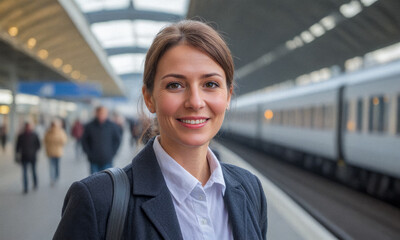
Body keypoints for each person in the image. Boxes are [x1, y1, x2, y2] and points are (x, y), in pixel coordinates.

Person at [54, 20, 267, 240]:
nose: (195, 102)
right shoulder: (96, 200)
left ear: (228, 95)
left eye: (210, 84)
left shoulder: (250, 189)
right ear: (149, 98)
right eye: (175, 85)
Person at [81, 106, 122, 174]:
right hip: (93, 160)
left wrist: (112, 153)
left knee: (106, 181)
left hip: (107, 159)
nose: (101, 115)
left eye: (103, 113)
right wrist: (89, 154)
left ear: (107, 114)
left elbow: (117, 140)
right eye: (100, 113)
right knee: (93, 181)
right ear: (96, 113)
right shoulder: (89, 126)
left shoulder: (112, 126)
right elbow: (84, 141)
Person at [16, 122, 41, 194]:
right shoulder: (21, 136)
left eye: (29, 126)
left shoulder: (35, 135)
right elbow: (17, 147)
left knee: (33, 171)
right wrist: (17, 155)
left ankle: (35, 184)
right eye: (26, 126)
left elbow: (38, 145)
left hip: (32, 157)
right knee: (24, 173)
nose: (27, 128)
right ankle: (25, 187)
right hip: (24, 157)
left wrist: (34, 151)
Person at [44, 119, 67, 185]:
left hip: (51, 152)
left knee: (53, 166)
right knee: (55, 166)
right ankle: (55, 177)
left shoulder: (48, 132)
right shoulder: (60, 131)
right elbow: (64, 141)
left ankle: (53, 178)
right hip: (57, 152)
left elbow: (45, 141)